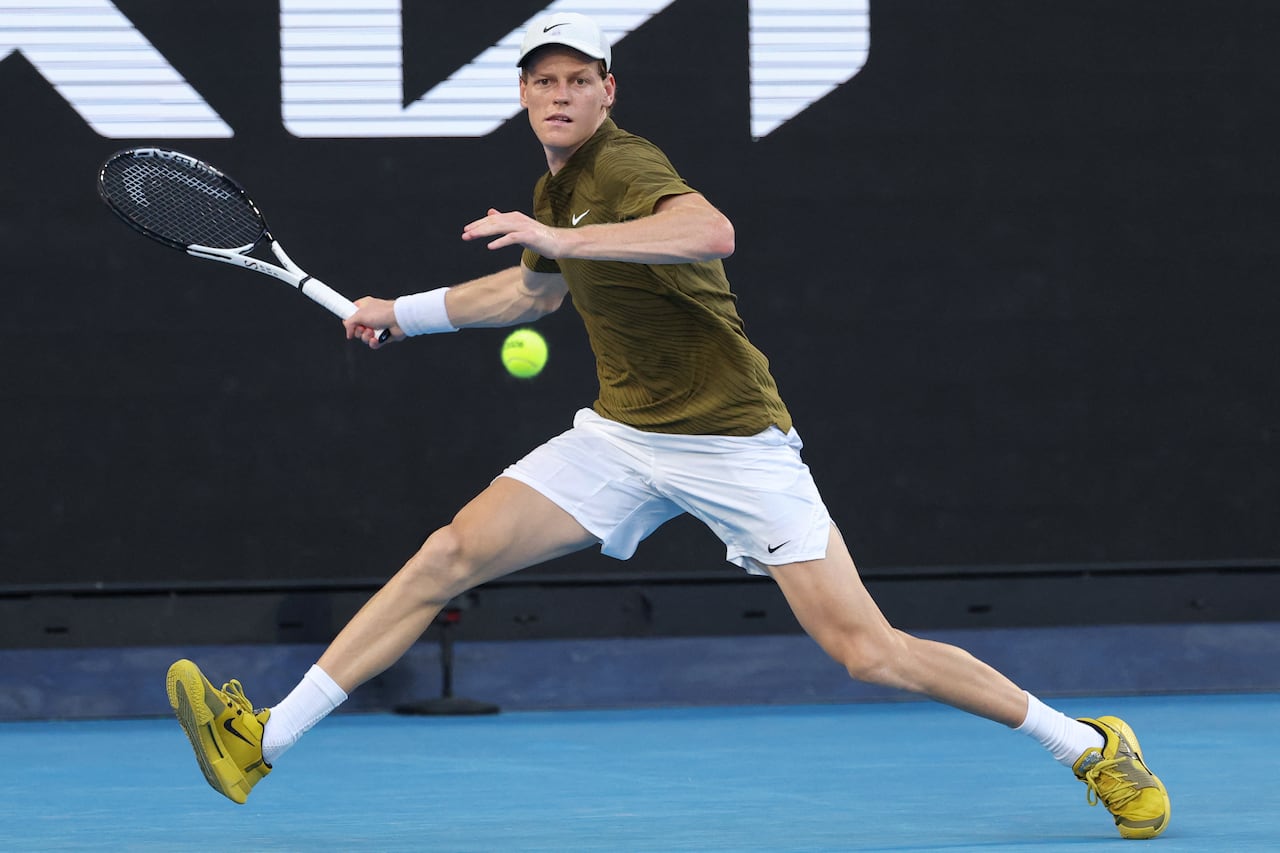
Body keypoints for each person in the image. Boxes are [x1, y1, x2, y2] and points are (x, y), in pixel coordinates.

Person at [164, 11, 1169, 839]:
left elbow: (710, 230)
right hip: (620, 438)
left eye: (577, 79)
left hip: (734, 443)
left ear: (608, 91)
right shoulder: (554, 188)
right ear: (523, 95)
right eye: (541, 80)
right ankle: (265, 741)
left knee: (866, 651)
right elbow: (530, 296)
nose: (557, 95)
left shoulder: (622, 164)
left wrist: (560, 235)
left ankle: (1087, 745)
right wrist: (402, 311)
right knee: (446, 554)